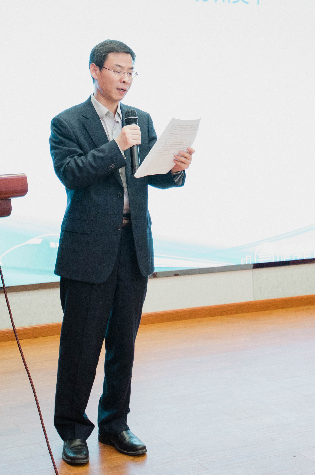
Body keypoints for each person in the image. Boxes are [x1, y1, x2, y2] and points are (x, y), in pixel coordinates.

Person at [49, 39, 194, 466]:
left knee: (123, 346)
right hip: (88, 251)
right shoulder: (67, 122)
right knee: (81, 346)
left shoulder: (140, 119)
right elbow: (72, 174)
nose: (126, 79)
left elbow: (150, 174)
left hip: (133, 249)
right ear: (95, 71)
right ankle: (73, 431)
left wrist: (176, 169)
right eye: (117, 70)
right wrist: (115, 147)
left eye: (131, 72)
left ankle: (115, 423)